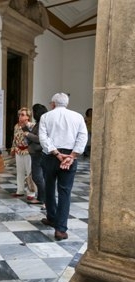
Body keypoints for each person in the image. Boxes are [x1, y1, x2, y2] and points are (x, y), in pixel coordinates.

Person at [38, 93, 88, 241]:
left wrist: (56, 153)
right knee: (65, 192)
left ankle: (51, 217)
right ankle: (60, 229)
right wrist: (72, 155)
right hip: (69, 157)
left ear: (53, 104)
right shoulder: (77, 117)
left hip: (51, 156)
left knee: (49, 187)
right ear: (66, 103)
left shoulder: (46, 117)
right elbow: (83, 136)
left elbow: (43, 138)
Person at [23, 104, 48, 207]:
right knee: (37, 176)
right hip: (35, 153)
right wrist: (25, 128)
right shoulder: (39, 123)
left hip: (38, 153)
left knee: (37, 177)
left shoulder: (42, 123)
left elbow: (39, 139)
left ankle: (45, 199)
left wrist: (28, 134)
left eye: (33, 111)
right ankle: (41, 198)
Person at [10, 107, 36, 200]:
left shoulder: (32, 126)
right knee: (19, 171)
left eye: (23, 114)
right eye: (20, 114)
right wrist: (13, 148)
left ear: (28, 117)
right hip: (18, 151)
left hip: (28, 151)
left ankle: (31, 192)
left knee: (29, 172)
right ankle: (20, 190)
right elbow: (14, 138)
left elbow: (34, 139)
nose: (20, 116)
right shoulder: (16, 126)